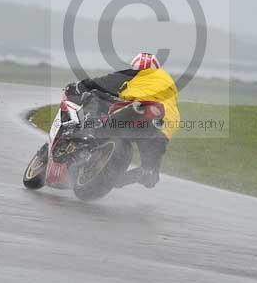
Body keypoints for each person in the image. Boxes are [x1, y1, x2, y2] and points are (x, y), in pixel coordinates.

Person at [64, 52, 180, 188]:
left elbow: (105, 82)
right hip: (165, 124)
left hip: (139, 108)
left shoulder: (139, 73)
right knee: (150, 166)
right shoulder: (168, 81)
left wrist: (79, 87)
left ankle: (89, 134)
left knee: (96, 95)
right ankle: (144, 173)